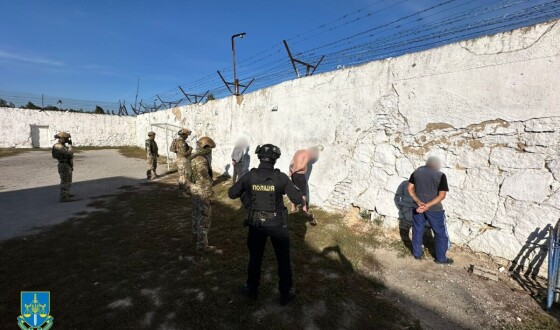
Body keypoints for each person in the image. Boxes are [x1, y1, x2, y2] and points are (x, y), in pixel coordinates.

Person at [228, 144, 303, 306]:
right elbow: (297, 199)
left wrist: (248, 201)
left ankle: (252, 289)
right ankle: (285, 293)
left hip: (256, 224)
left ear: (259, 157)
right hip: (277, 224)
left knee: (255, 258)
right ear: (275, 159)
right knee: (283, 259)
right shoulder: (281, 177)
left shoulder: (249, 176)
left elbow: (232, 193)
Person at [407, 156, 452, 264]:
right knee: (440, 233)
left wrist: (418, 201)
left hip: (417, 207)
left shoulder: (416, 172)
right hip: (434, 209)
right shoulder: (440, 175)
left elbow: (409, 188)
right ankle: (441, 258)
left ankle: (417, 254)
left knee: (418, 229)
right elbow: (442, 195)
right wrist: (427, 206)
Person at [190, 136, 216, 255]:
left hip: (195, 189)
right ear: (206, 147)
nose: (210, 151)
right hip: (202, 191)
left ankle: (195, 236)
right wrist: (210, 196)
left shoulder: (193, 157)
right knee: (204, 218)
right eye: (210, 148)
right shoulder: (201, 160)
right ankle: (202, 245)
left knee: (196, 215)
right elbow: (204, 179)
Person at [288, 145, 323, 225]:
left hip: (294, 175)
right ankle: (304, 210)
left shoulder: (298, 152)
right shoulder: (307, 154)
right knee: (303, 193)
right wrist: (294, 171)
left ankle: (293, 207)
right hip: (300, 176)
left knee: (294, 190)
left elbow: (291, 162)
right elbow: (302, 166)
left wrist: (290, 171)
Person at [51, 131, 75, 202]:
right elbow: (69, 153)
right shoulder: (58, 146)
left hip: (67, 164)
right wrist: (70, 145)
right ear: (62, 139)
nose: (67, 140)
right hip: (63, 165)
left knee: (68, 180)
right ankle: (63, 197)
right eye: (66, 139)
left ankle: (66, 193)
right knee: (65, 181)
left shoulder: (62, 145)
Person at [170, 128, 193, 196]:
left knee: (182, 176)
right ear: (183, 135)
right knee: (183, 176)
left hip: (179, 159)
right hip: (182, 160)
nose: (187, 136)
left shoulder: (176, 140)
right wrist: (190, 150)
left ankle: (182, 191)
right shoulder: (182, 142)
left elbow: (172, 149)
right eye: (186, 135)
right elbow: (184, 154)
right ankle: (182, 192)